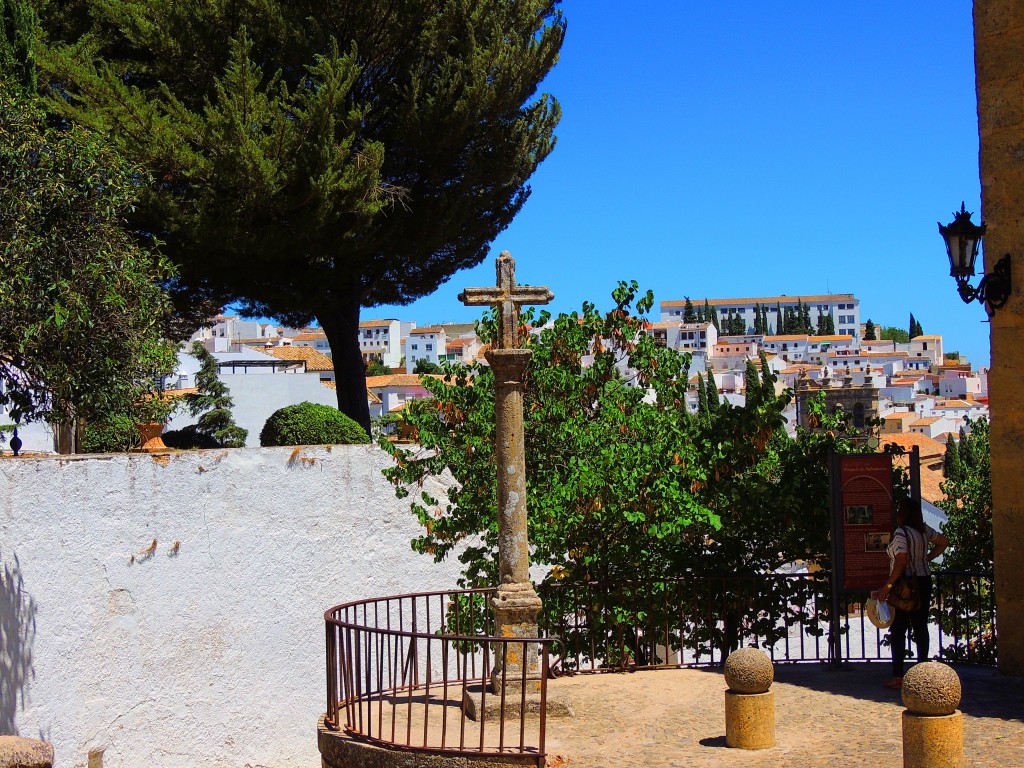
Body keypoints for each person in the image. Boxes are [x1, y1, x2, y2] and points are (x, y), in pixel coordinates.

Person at [876, 499, 948, 689]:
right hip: (923, 581)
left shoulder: (902, 533)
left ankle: (898, 675)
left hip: (905, 585)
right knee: (920, 626)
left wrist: (887, 586)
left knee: (899, 629)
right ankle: (922, 673)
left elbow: (901, 561)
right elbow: (943, 542)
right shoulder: (923, 530)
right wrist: (926, 559)